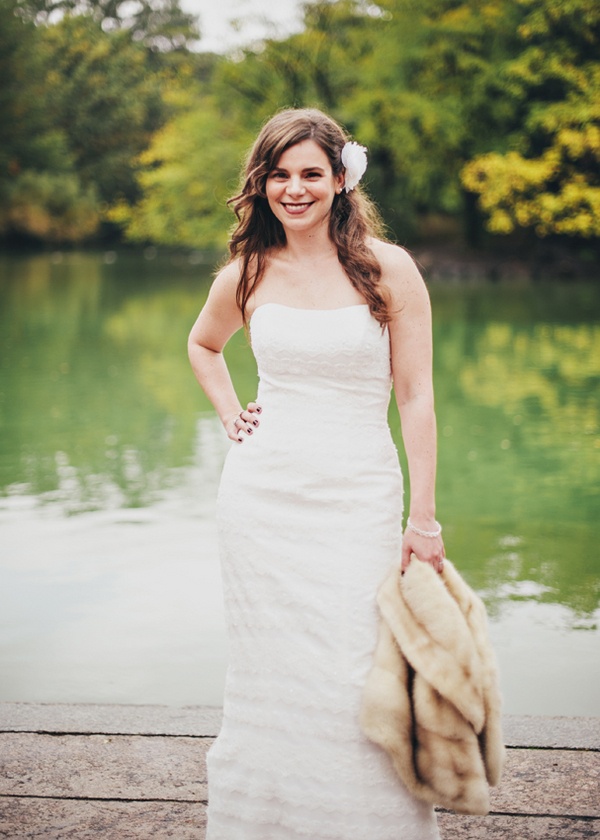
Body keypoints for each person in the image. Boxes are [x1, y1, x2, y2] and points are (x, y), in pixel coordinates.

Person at [188, 107, 445, 840]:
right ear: (261, 184)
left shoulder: (388, 268)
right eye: (280, 175)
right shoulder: (246, 272)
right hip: (261, 497)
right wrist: (230, 413)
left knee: (354, 664)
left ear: (340, 180)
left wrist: (421, 520)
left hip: (359, 490)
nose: (294, 189)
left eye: (310, 174)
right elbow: (203, 346)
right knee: (271, 670)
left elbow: (417, 396)